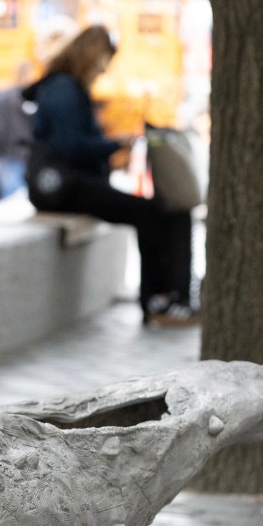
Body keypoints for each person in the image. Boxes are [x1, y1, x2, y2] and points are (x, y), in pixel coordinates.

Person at [24, 26, 198, 327]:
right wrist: (115, 143)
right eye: (104, 61)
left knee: (156, 211)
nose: (104, 70)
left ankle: (163, 298)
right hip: (66, 188)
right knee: (151, 213)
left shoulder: (62, 86)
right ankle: (158, 299)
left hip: (67, 185)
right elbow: (71, 145)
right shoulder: (65, 88)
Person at [0, 63, 34, 198]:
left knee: (9, 201)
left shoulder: (1, 97)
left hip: (6, 156)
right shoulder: (19, 97)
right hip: (17, 155)